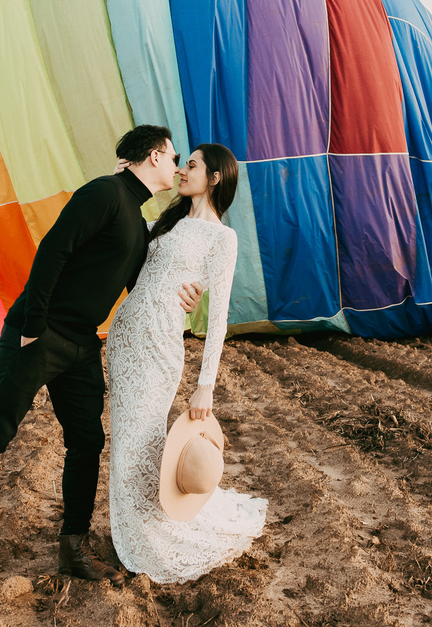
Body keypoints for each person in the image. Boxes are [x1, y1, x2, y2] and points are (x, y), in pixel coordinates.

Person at [0, 125, 202, 608]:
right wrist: (32, 326)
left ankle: (72, 548)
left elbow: (142, 287)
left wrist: (182, 293)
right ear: (155, 155)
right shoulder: (103, 193)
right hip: (40, 334)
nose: (178, 164)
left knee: (87, 442)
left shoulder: (136, 223)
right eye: (174, 155)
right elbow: (53, 250)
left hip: (80, 345)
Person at [106, 143, 268, 584]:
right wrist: (122, 174)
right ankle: (130, 529)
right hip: (124, 339)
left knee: (139, 442)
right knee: (124, 439)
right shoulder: (167, 222)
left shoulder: (222, 237)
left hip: (160, 345)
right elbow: (133, 256)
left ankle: (143, 538)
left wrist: (206, 385)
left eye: (191, 165)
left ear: (214, 177)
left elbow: (218, 317)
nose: (182, 170)